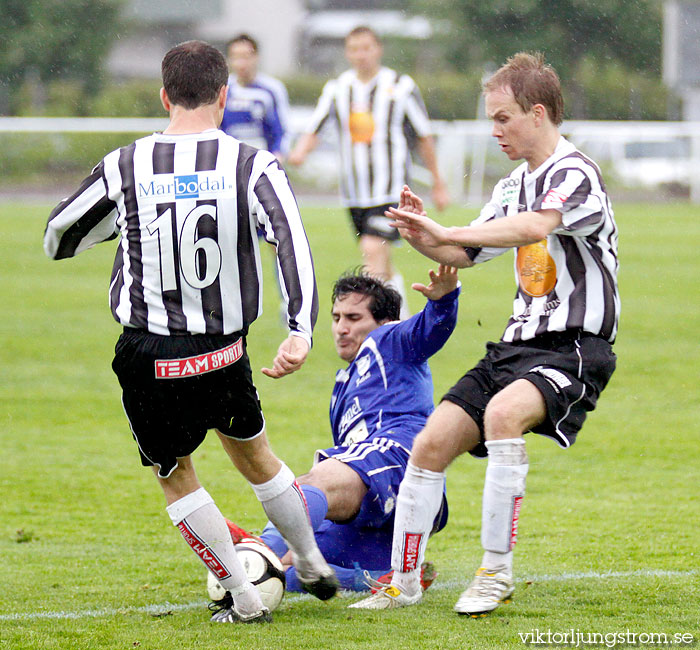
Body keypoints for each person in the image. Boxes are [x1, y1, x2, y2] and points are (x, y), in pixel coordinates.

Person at [43, 40, 338, 625]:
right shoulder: (253, 164)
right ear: (224, 95)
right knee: (258, 457)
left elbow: (59, 236)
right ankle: (310, 561)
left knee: (175, 472)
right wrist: (300, 329)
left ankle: (245, 599)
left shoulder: (125, 165)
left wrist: (129, 226)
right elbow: (291, 244)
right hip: (223, 348)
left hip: (149, 352)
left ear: (163, 96)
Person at [351, 52, 619, 615]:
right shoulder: (512, 184)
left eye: (502, 118)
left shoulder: (575, 173)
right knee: (430, 443)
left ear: (537, 113)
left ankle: (495, 572)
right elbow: (465, 251)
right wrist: (420, 233)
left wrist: (445, 227)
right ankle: (403, 581)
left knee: (501, 418)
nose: (493, 129)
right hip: (516, 346)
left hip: (573, 346)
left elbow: (534, 226)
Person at [215, 265, 459, 598]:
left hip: (398, 458)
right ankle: (375, 578)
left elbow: (432, 329)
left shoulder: (391, 340)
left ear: (384, 322)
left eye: (354, 318)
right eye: (336, 318)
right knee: (295, 567)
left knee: (302, 491)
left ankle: (256, 552)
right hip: (379, 501)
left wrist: (444, 299)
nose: (341, 329)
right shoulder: (343, 387)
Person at [288, 25, 449, 319]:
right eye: (354, 49)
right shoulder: (338, 88)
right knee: (383, 266)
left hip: (390, 191)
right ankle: (405, 325)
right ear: (347, 53)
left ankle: (379, 330)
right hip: (354, 194)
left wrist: (438, 182)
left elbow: (423, 135)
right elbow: (315, 127)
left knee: (372, 250)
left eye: (366, 48)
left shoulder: (400, 86)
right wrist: (299, 152)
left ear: (378, 49)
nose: (360, 55)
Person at [220, 34, 290, 160]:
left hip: (261, 163)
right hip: (229, 163)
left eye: (245, 57)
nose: (241, 63)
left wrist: (278, 157)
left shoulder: (272, 89)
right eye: (235, 57)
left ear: (256, 57)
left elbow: (282, 129)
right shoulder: (222, 89)